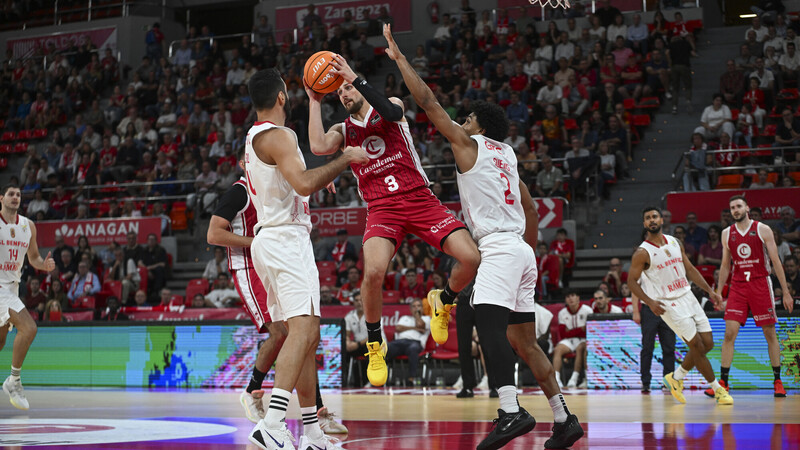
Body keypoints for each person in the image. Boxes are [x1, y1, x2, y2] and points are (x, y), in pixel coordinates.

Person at [384, 24, 584, 450]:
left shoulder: (468, 144)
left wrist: (401, 61)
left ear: (477, 126)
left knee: (487, 327)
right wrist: (525, 252)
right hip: (522, 251)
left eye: (468, 117)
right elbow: (530, 207)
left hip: (497, 247)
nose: (462, 120)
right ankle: (564, 418)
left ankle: (510, 410)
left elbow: (428, 102)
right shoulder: (508, 155)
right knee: (524, 341)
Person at [307, 50, 481, 389]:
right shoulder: (342, 130)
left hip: (419, 198)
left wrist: (353, 76)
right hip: (382, 208)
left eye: (347, 88)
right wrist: (314, 100)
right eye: (338, 92)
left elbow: (388, 110)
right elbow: (316, 146)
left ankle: (443, 300)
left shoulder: (390, 104)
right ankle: (375, 343)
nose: (344, 94)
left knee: (472, 258)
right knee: (372, 272)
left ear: (358, 84)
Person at [243, 69, 367, 450]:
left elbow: (291, 183)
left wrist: (313, 180)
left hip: (273, 237)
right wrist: (344, 158)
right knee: (304, 330)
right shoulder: (278, 135)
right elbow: (302, 182)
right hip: (285, 240)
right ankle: (273, 423)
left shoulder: (257, 138)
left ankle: (312, 431)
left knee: (307, 334)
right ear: (282, 97)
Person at [208, 147, 348, 433]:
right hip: (249, 267)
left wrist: (323, 179)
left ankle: (317, 413)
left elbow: (300, 183)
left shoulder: (272, 186)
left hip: (275, 260)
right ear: (243, 163)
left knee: (304, 332)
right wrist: (257, 241)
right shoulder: (240, 191)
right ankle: (253, 390)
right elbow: (213, 234)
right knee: (284, 333)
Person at [627, 206, 733, 405]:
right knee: (696, 345)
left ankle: (675, 378)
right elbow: (631, 282)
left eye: (655, 216)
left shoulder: (675, 241)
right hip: (668, 304)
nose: (652, 220)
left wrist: (710, 291)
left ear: (661, 220)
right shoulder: (642, 252)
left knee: (708, 344)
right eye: (648, 218)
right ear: (644, 224)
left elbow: (690, 269)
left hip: (688, 296)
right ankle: (718, 390)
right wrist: (649, 302)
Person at [707, 196, 794, 399]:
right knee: (729, 333)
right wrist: (719, 292)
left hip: (760, 283)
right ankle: (723, 383)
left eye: (738, 206)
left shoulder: (763, 229)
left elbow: (775, 261)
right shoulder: (726, 234)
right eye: (732, 208)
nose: (735, 210)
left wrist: (786, 292)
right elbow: (725, 265)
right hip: (738, 286)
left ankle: (777, 381)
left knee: (770, 333)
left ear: (746, 208)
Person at [0, 185, 57, 410]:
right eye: (10, 194)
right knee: (30, 328)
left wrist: (45, 265)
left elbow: (33, 257)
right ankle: (13, 381)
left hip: (12, 287)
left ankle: (13, 381)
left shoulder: (28, 225)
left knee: (1, 340)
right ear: (1, 198)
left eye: (18, 195)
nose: (15, 198)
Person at [631, 290, 676, 393]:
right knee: (647, 348)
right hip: (648, 310)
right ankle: (645, 382)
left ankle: (668, 382)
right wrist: (635, 311)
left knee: (669, 348)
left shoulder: (669, 273)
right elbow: (635, 290)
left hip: (667, 309)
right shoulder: (641, 272)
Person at [386, 298, 430, 386]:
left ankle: (410, 379)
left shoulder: (427, 318)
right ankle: (379, 379)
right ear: (410, 309)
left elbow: (421, 325)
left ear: (422, 308)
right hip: (400, 342)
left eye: (418, 306)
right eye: (413, 306)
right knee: (385, 348)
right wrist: (416, 329)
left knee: (413, 349)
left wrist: (417, 315)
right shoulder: (405, 318)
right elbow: (398, 328)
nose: (416, 308)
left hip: (415, 343)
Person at [553, 291, 592, 389]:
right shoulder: (562, 313)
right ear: (565, 300)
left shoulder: (587, 310)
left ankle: (575, 379)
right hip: (569, 340)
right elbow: (563, 334)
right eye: (568, 296)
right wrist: (581, 329)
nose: (570, 298)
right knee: (558, 349)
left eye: (573, 296)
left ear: (578, 298)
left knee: (580, 348)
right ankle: (556, 379)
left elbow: (589, 331)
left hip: (584, 339)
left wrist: (571, 331)